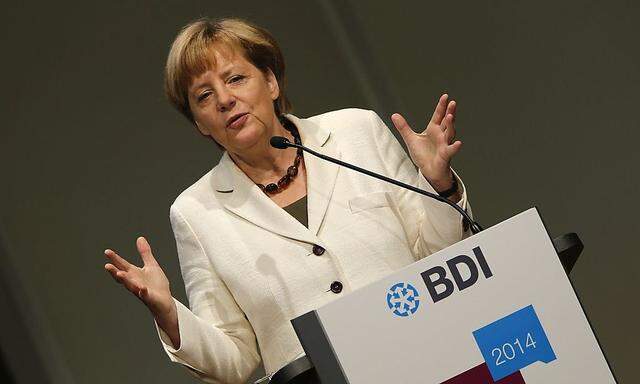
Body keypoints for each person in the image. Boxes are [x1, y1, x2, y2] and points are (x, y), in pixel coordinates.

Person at [103, 17, 472, 384]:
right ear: (199, 123)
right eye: (204, 95)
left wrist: (439, 186)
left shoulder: (356, 133)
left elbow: (440, 256)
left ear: (271, 81)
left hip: (432, 361)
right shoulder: (197, 213)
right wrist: (169, 314)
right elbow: (234, 361)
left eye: (235, 79)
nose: (225, 100)